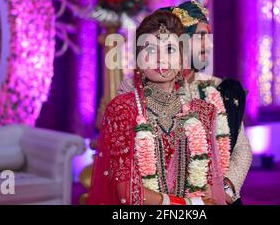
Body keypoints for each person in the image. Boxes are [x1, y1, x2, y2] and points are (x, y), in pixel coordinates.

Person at [118, 0, 252, 204]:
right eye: (201, 37)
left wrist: (224, 189)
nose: (210, 44)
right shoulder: (131, 91)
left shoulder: (218, 90)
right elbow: (124, 166)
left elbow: (241, 151)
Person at [87, 10, 229, 205]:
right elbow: (128, 190)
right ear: (138, 58)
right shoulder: (123, 109)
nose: (160, 58)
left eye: (170, 49)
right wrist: (188, 205)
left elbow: (208, 188)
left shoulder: (202, 112)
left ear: (182, 59)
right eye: (151, 50)